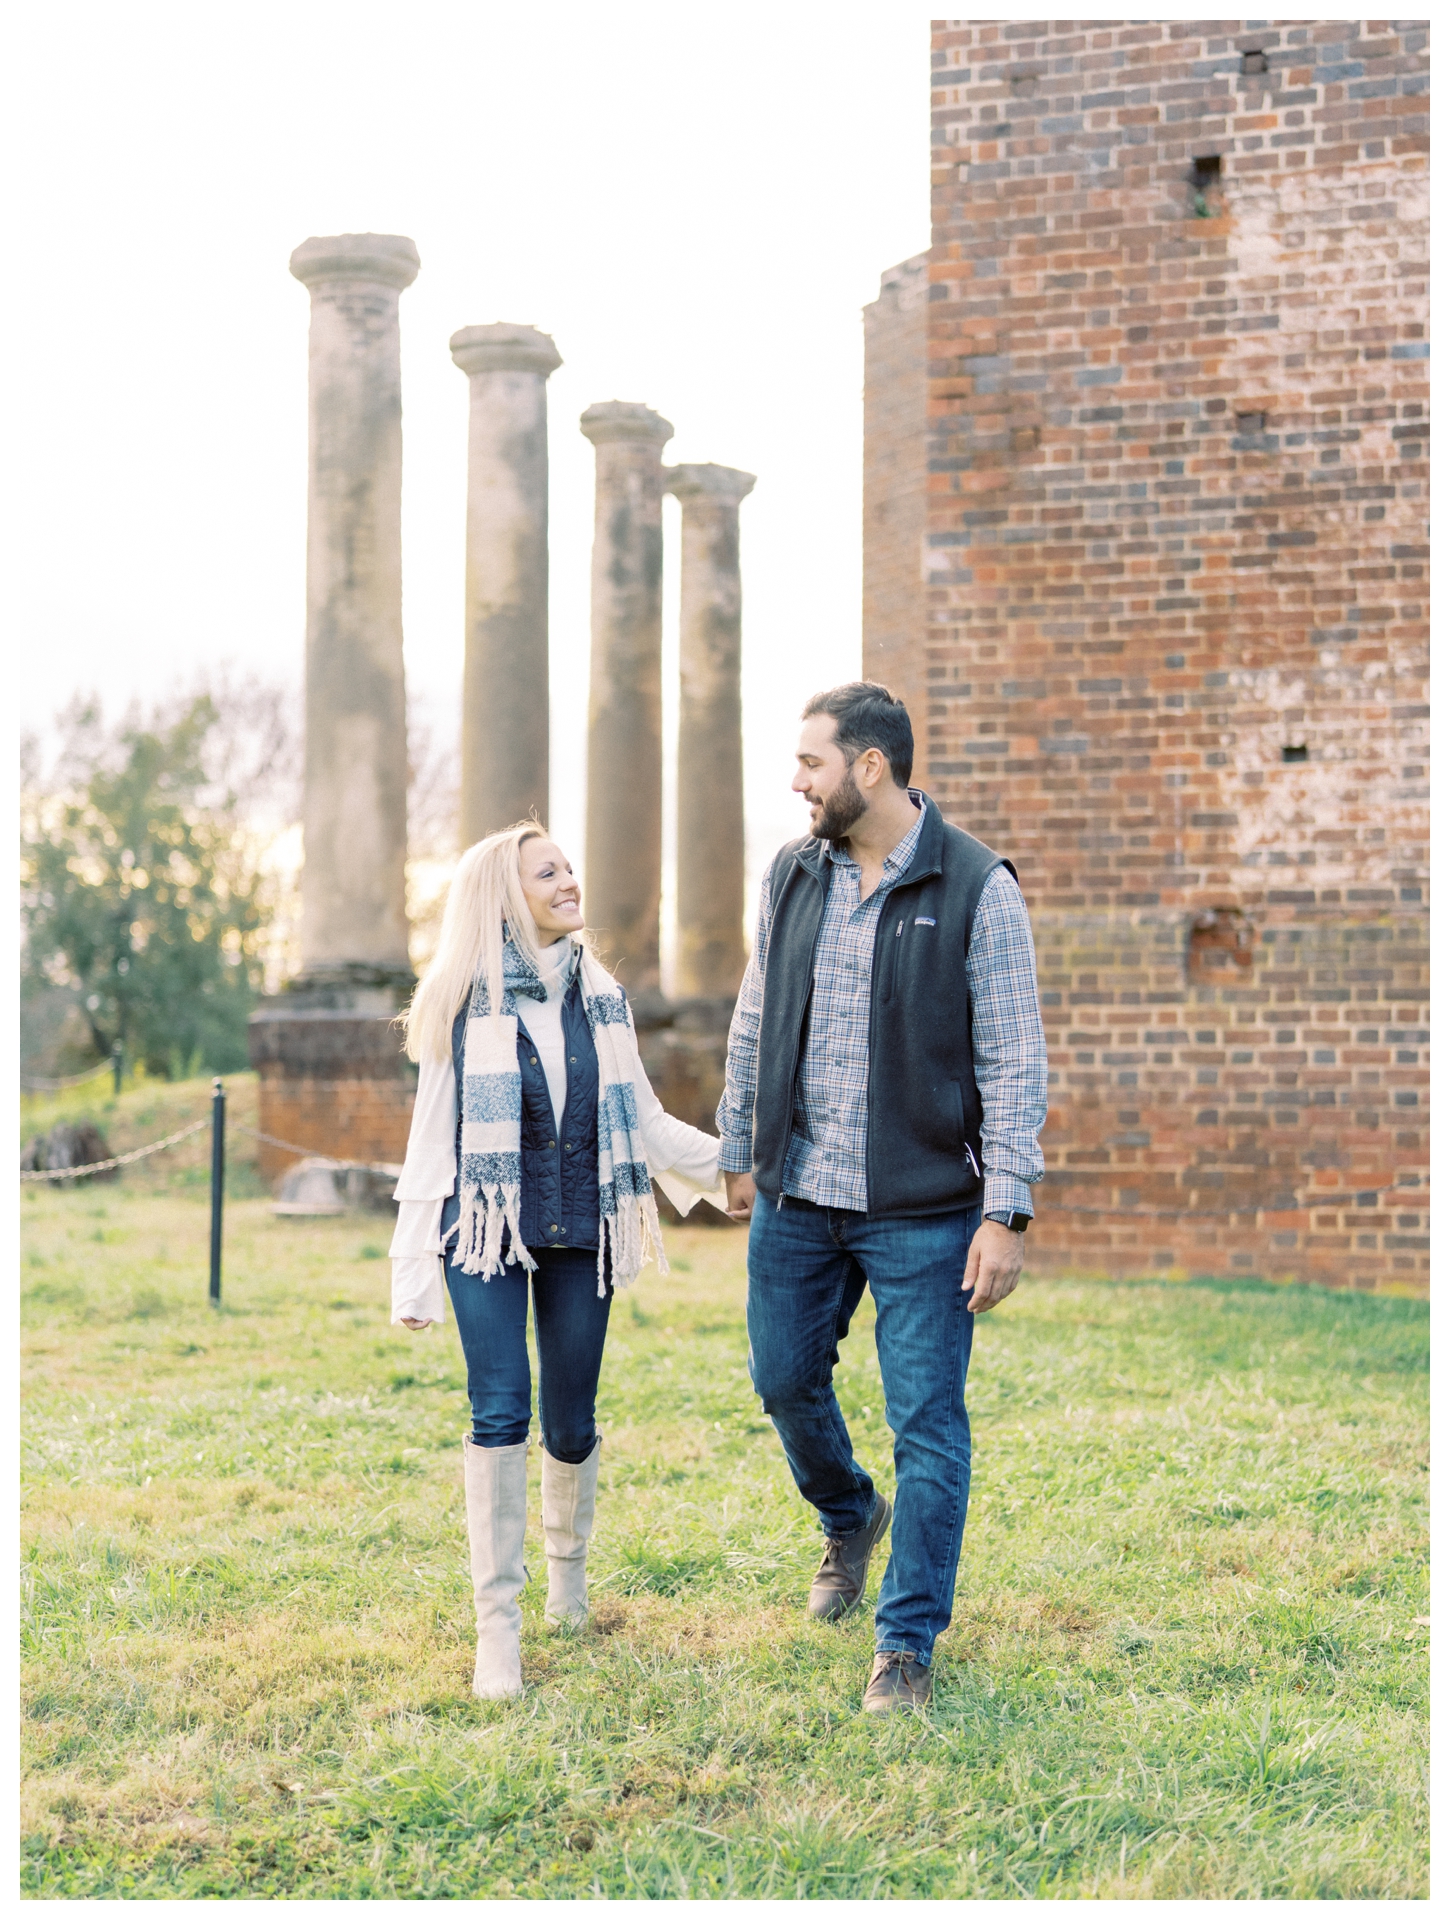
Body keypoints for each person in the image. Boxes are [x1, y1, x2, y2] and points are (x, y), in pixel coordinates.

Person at [718, 682, 1047, 1715]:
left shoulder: (977, 886)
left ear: (869, 767)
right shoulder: (791, 873)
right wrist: (738, 1142)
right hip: (797, 1198)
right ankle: (849, 1513)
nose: (795, 782)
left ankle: (904, 1646)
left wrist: (1007, 1209)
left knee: (929, 1427)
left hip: (925, 1209)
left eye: (811, 763)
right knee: (780, 1380)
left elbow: (1013, 1059)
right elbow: (751, 1015)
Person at [390, 824, 724, 1699]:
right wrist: (410, 1271)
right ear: (509, 893)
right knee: (502, 1408)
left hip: (581, 1220)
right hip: (484, 1227)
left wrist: (735, 1169)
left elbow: (645, 1126)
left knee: (570, 1419)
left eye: (570, 866)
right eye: (549, 872)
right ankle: (496, 1629)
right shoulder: (462, 1002)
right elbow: (430, 1147)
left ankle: (567, 1581)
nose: (570, 881)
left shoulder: (602, 1000)